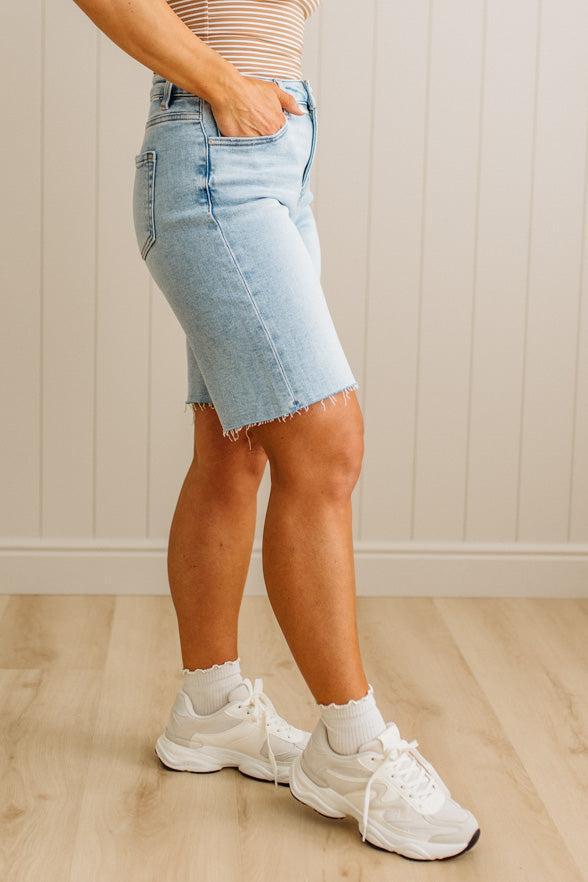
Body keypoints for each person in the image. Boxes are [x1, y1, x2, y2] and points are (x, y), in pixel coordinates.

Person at [74, 0, 480, 860]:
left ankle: (210, 707)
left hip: (272, 158)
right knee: (326, 443)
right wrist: (222, 81)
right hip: (213, 153)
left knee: (237, 445)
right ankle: (351, 747)